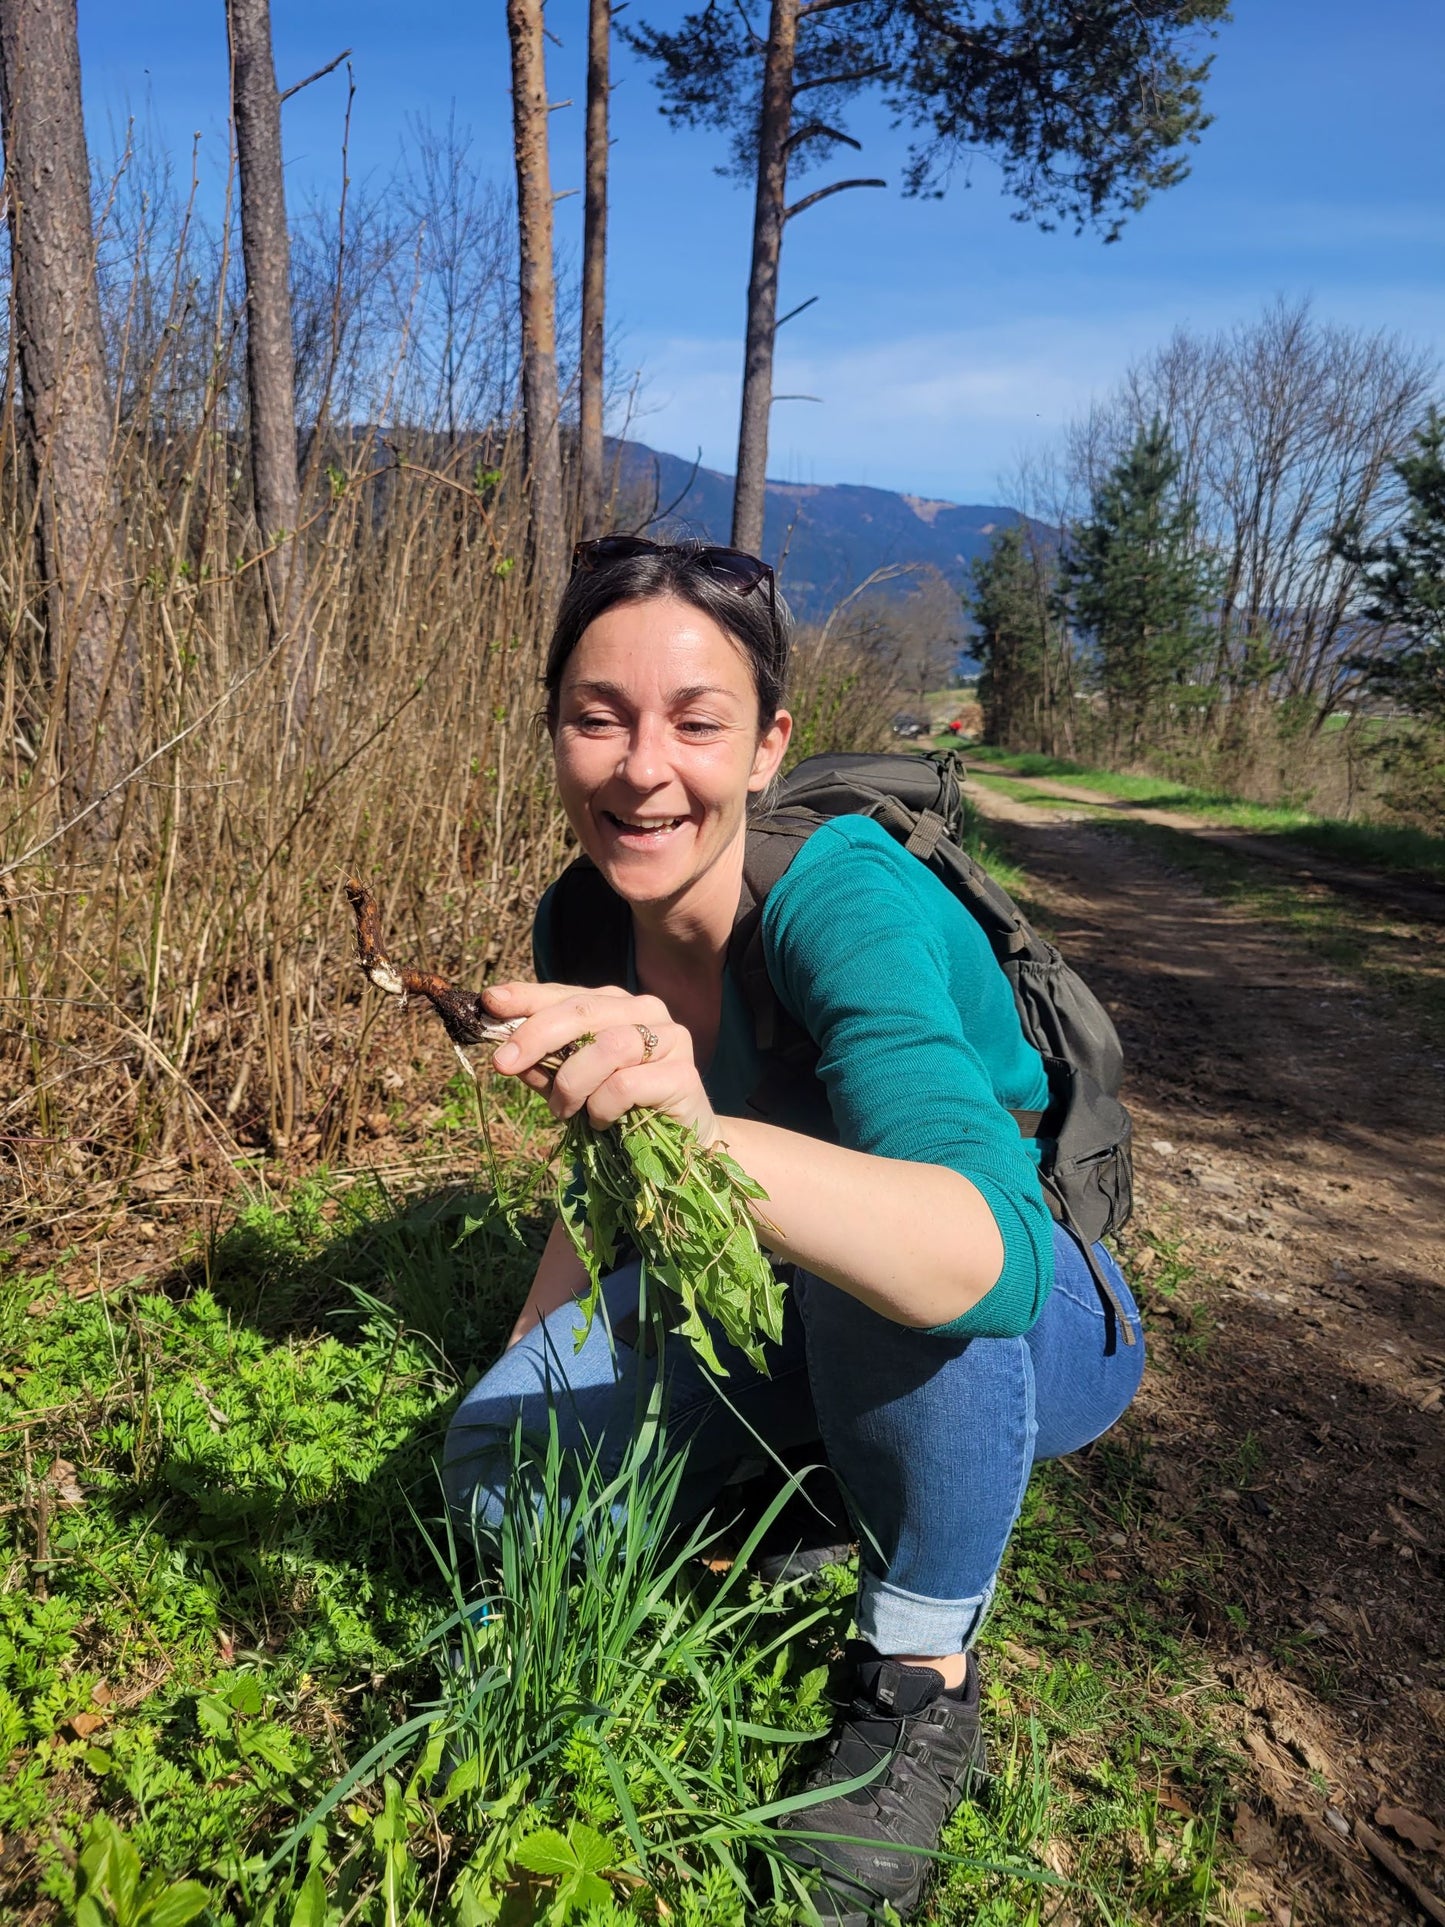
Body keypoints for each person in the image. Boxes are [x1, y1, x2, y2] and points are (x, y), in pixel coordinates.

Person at [443, 535, 1146, 1926]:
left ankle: (917, 1680)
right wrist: (530, 1380)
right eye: (598, 718)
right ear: (554, 734)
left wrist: (708, 1136)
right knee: (489, 1475)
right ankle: (823, 1481)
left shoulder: (841, 901)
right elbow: (603, 1177)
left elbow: (984, 1262)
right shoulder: (581, 918)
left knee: (870, 1261)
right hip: (788, 1301)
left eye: (696, 724)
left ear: (767, 746)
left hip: (1033, 1320)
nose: (643, 769)